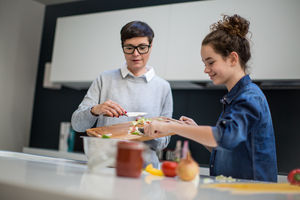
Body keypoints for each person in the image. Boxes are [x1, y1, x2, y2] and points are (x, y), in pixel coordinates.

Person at [144, 14, 277, 182]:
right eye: (204, 64)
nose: (206, 70)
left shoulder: (249, 97)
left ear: (233, 58)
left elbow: (223, 137)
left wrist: (171, 127)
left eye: (210, 62)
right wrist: (194, 129)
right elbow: (225, 146)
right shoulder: (235, 98)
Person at [71, 21, 173, 168]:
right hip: (103, 167)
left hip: (143, 171)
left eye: (142, 47)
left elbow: (164, 142)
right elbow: (77, 124)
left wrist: (149, 131)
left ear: (150, 47)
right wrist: (95, 110)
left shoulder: (163, 87)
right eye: (129, 48)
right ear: (123, 48)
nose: (135, 53)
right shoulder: (104, 79)